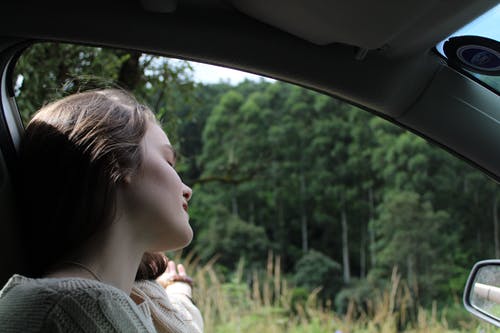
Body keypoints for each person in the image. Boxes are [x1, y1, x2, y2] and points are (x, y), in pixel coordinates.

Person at [0, 89, 203, 332]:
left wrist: (179, 291)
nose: (187, 189)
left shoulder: (101, 303)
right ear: (116, 160)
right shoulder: (73, 308)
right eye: (168, 161)